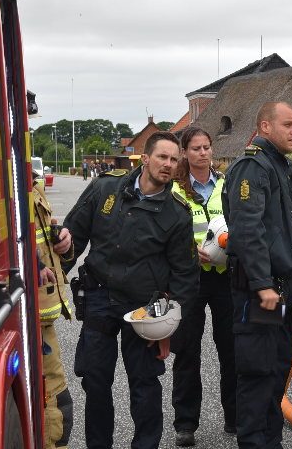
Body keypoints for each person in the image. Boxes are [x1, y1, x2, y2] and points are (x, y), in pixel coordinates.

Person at [63, 131, 200, 449]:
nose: (168, 164)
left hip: (145, 309)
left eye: (173, 159)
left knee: (145, 385)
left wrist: (166, 327)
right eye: (162, 157)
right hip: (98, 296)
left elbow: (185, 276)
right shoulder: (104, 187)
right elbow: (73, 236)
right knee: (96, 382)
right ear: (145, 158)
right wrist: (52, 274)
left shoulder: (177, 214)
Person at [222, 101, 292, 449]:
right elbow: (248, 230)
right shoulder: (252, 168)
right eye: (288, 125)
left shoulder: (283, 169)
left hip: (284, 293)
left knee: (275, 377)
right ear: (264, 127)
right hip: (260, 295)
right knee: (258, 378)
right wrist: (262, 284)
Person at [170, 127, 236, 447]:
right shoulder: (174, 190)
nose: (203, 153)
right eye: (195, 148)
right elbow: (163, 232)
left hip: (225, 277)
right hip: (189, 279)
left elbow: (242, 221)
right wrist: (183, 252)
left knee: (232, 349)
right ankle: (185, 423)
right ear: (185, 152)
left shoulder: (227, 184)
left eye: (207, 147)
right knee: (186, 352)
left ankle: (235, 418)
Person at [33, 169, 74, 448]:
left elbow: (42, 239)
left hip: (41, 320)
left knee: (59, 406)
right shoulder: (4, 187)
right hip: (22, 318)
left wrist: (62, 241)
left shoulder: (32, 185)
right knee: (53, 411)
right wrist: (31, 264)